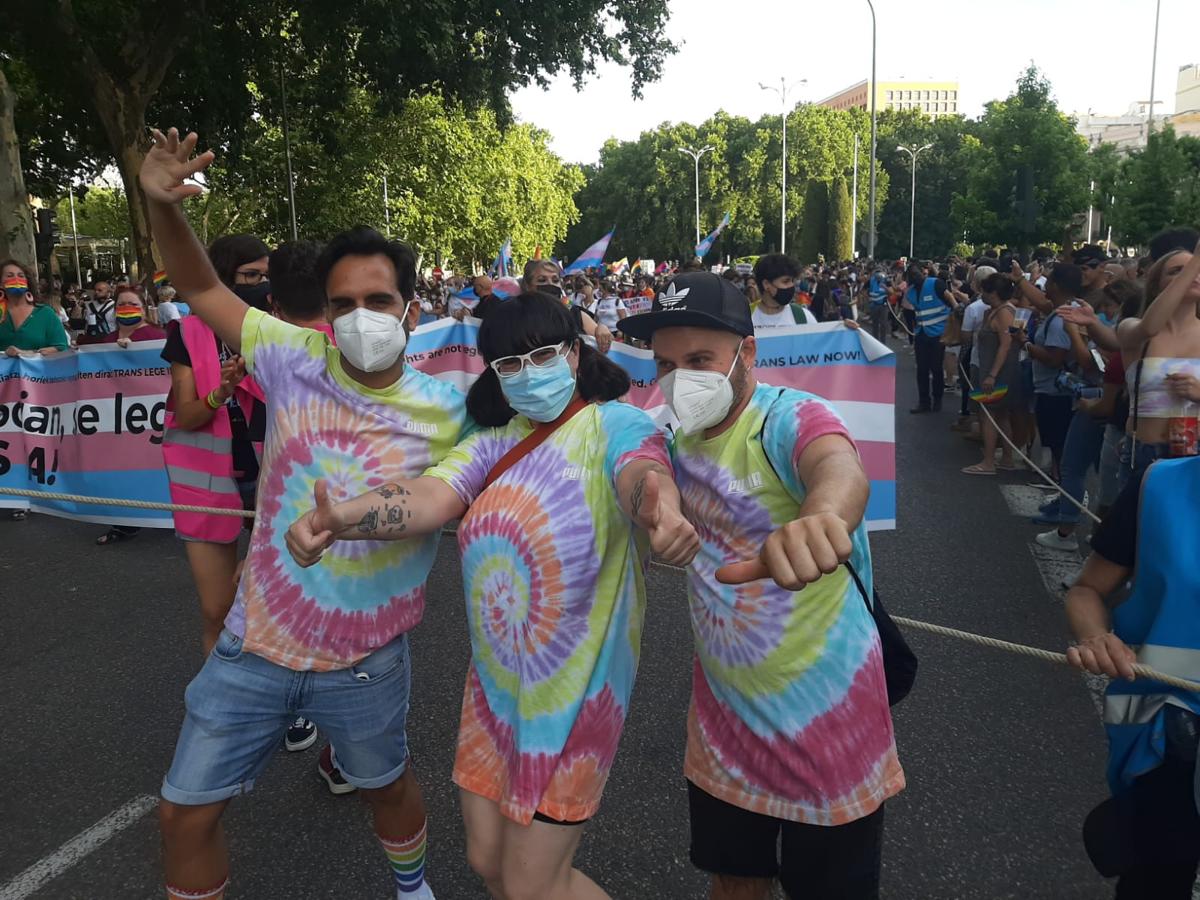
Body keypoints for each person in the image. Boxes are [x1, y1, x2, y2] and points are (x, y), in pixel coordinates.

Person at [285, 291, 698, 900]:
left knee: (534, 884)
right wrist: (342, 516)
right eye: (509, 364)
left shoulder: (615, 424)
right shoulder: (495, 439)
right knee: (488, 862)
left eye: (542, 355)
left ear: (576, 355)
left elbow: (640, 472)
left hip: (573, 696)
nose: (527, 374)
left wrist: (657, 507)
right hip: (495, 690)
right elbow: (431, 497)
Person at [143, 127, 468, 900]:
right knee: (182, 816)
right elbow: (200, 288)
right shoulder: (290, 355)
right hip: (252, 646)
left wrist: (346, 518)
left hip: (366, 659)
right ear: (325, 310)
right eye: (345, 303)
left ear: (411, 310)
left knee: (386, 789)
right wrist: (163, 208)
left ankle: (413, 888)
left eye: (378, 301)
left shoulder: (449, 413)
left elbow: (439, 499)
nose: (361, 316)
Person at [619, 273, 904, 900]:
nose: (678, 380)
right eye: (665, 364)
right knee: (734, 883)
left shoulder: (789, 415)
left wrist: (821, 520)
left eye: (699, 361)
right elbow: (641, 468)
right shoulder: (668, 430)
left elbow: (837, 465)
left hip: (829, 726)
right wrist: (654, 506)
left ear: (746, 354)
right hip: (725, 724)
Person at [1065, 455, 1200, 898]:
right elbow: (1088, 590)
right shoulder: (1158, 485)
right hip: (1170, 741)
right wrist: (1096, 636)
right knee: (1157, 880)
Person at [1022, 265, 1085, 482]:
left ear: (1056, 285)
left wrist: (1026, 345)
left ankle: (1058, 482)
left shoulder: (1062, 319)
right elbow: (1040, 302)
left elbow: (1054, 358)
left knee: (1058, 442)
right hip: (1052, 388)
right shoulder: (1062, 309)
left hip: (1055, 390)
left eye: (1048, 281)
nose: (1044, 285)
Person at [962, 274, 1021, 475]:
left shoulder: (1003, 313)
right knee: (1002, 415)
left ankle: (988, 462)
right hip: (994, 369)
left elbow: (1006, 345)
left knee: (989, 415)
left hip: (997, 372)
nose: (982, 294)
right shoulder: (997, 311)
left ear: (994, 293)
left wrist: (992, 375)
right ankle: (1006, 458)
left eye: (985, 291)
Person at [525, 259, 614, 352]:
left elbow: (607, 342)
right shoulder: (518, 316)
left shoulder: (574, 314)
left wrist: (602, 329)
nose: (550, 284)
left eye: (555, 280)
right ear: (528, 286)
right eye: (542, 280)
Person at [908, 263, 959, 413]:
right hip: (921, 334)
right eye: (912, 276)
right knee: (922, 370)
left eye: (917, 274)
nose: (915, 278)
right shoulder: (910, 292)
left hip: (939, 333)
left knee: (936, 369)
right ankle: (924, 402)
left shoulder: (935, 283)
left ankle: (937, 400)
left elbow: (949, 297)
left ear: (923, 273)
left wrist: (957, 308)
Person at [1, 261, 70, 358]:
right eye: (9, 276)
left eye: (21, 276)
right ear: (1, 284)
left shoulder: (45, 313)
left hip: (40, 372)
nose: (16, 279)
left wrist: (28, 353)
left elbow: (62, 348)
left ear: (27, 282)